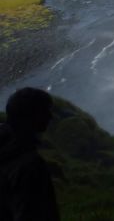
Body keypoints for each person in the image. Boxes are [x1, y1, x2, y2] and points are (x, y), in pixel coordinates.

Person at [0, 88, 60, 221]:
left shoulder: (5, 149)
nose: (50, 116)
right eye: (45, 110)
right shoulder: (29, 164)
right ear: (31, 115)